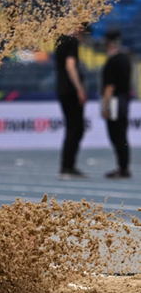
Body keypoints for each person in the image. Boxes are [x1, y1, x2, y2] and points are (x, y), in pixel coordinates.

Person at [55, 24, 88, 179]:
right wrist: (80, 89)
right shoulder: (72, 42)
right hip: (70, 90)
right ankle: (67, 166)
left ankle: (67, 165)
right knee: (76, 128)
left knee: (72, 127)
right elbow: (70, 66)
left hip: (62, 89)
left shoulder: (60, 41)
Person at [100, 30, 132, 179]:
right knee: (122, 135)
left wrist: (105, 106)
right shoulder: (126, 59)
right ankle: (124, 167)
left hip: (114, 101)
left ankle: (122, 168)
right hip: (124, 99)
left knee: (116, 135)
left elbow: (109, 87)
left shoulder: (112, 61)